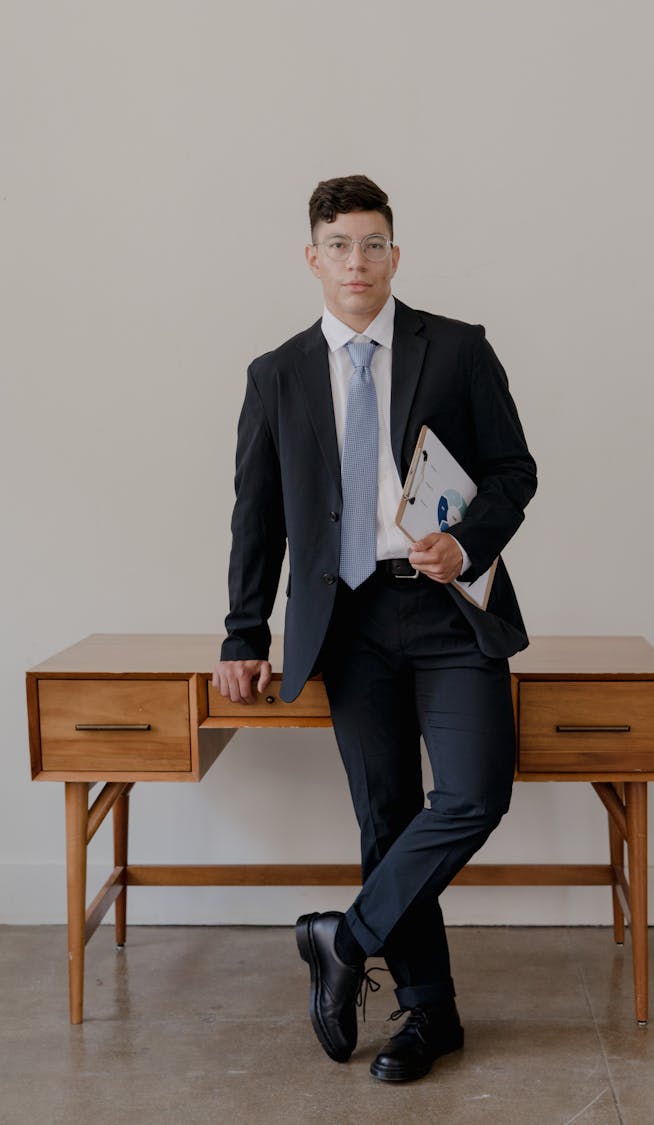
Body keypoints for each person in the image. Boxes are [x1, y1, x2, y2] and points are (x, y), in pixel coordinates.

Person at [212, 174, 537, 1082]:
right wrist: (244, 633)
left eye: (375, 243)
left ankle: (344, 937)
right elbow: (258, 516)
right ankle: (429, 1015)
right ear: (313, 258)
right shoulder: (275, 375)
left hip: (444, 609)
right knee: (387, 815)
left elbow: (515, 472)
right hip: (344, 617)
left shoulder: (458, 349)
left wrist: (465, 544)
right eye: (342, 244)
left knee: (475, 792)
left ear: (397, 252)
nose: (359, 261)